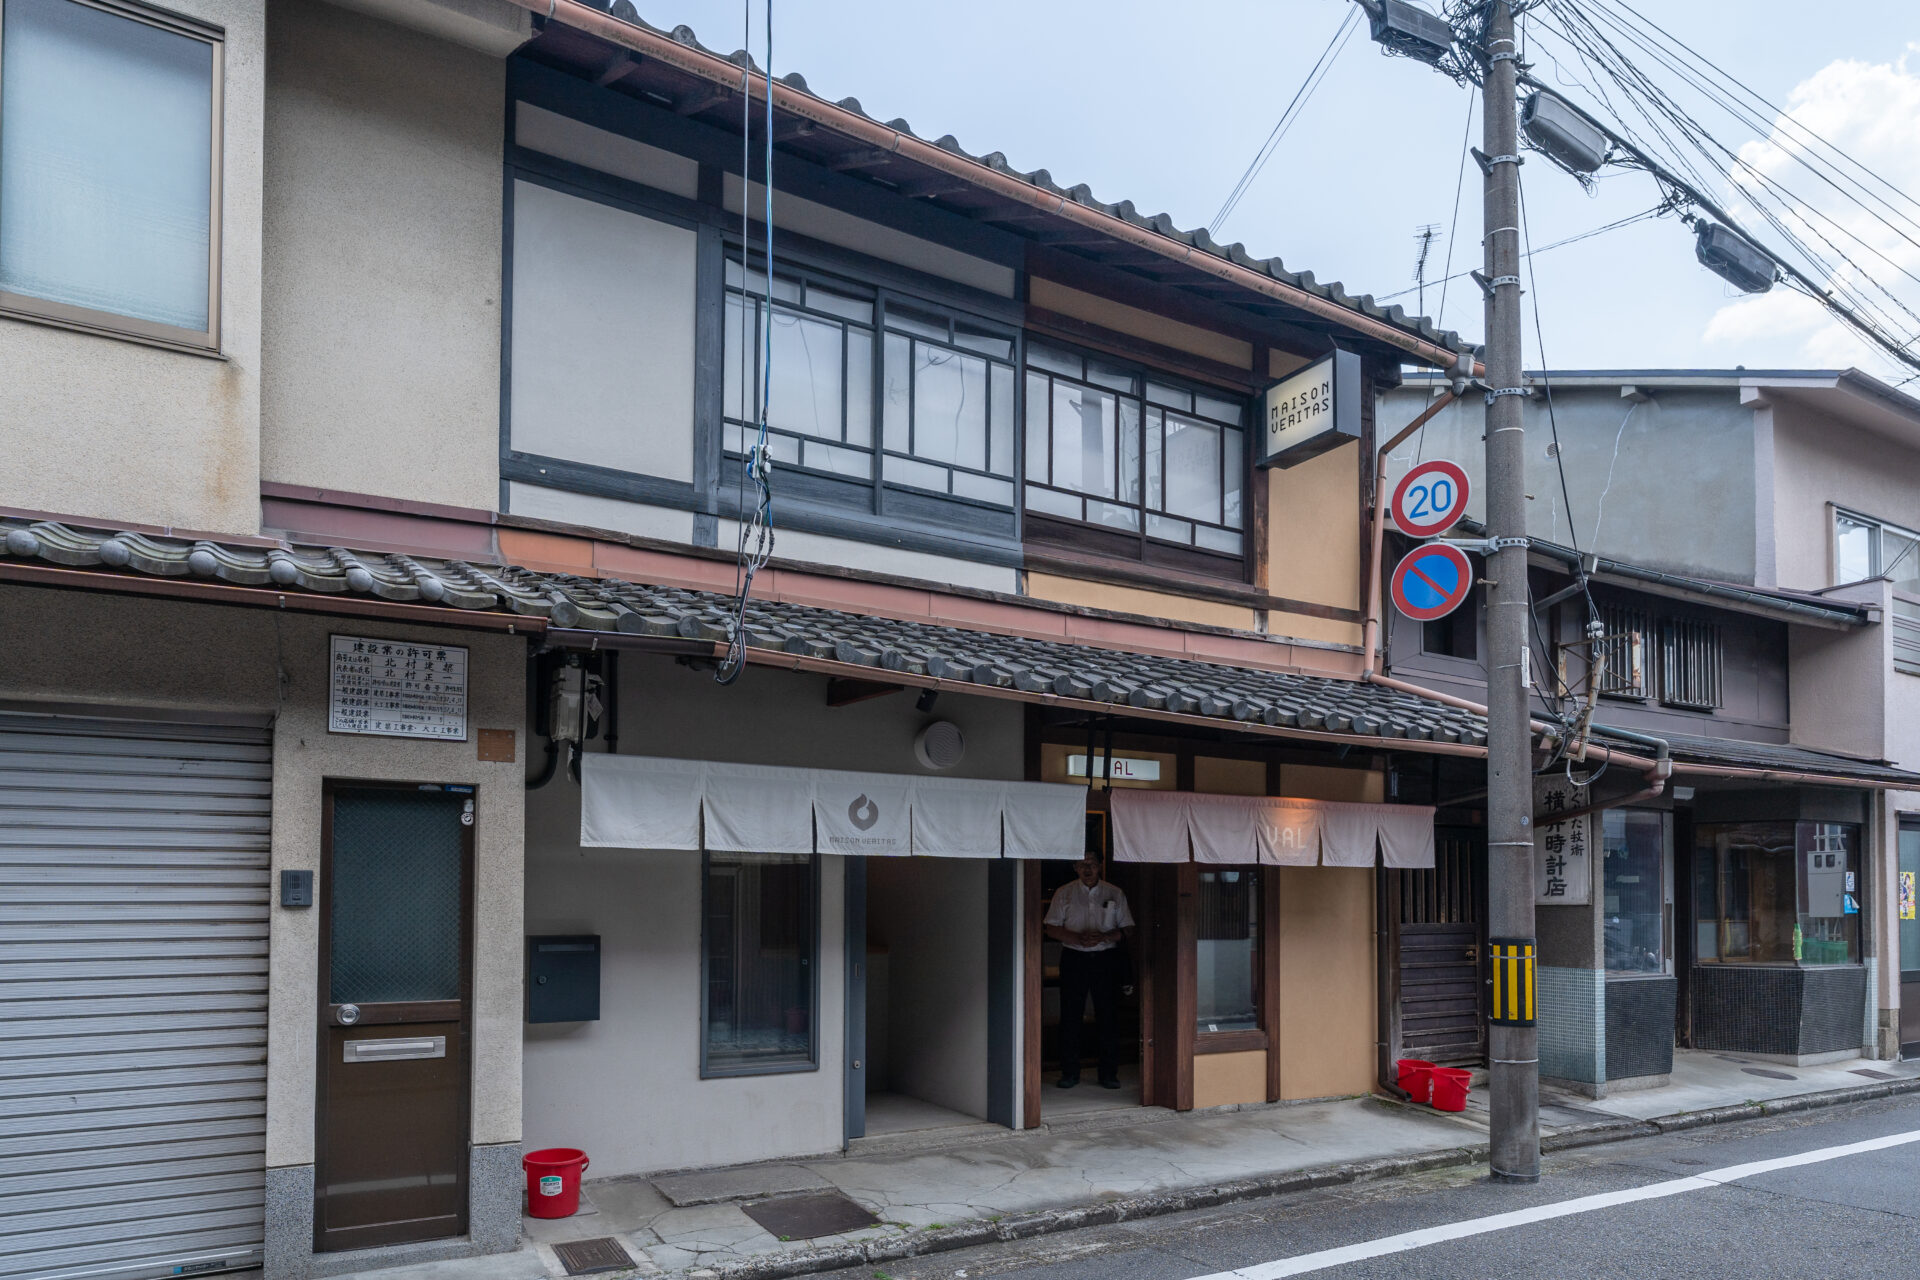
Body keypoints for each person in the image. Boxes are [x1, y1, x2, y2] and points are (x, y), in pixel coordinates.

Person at [1043, 857, 1135, 1089]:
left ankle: (1108, 1074)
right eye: (1081, 864)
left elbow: (1128, 929)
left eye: (1092, 863)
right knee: (1071, 1015)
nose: (1087, 868)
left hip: (1106, 958)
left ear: (1099, 866)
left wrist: (1104, 937)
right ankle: (1070, 1073)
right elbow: (1051, 927)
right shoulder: (1064, 893)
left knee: (1108, 1016)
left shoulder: (1114, 892)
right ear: (1074, 867)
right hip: (1074, 958)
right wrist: (1077, 938)